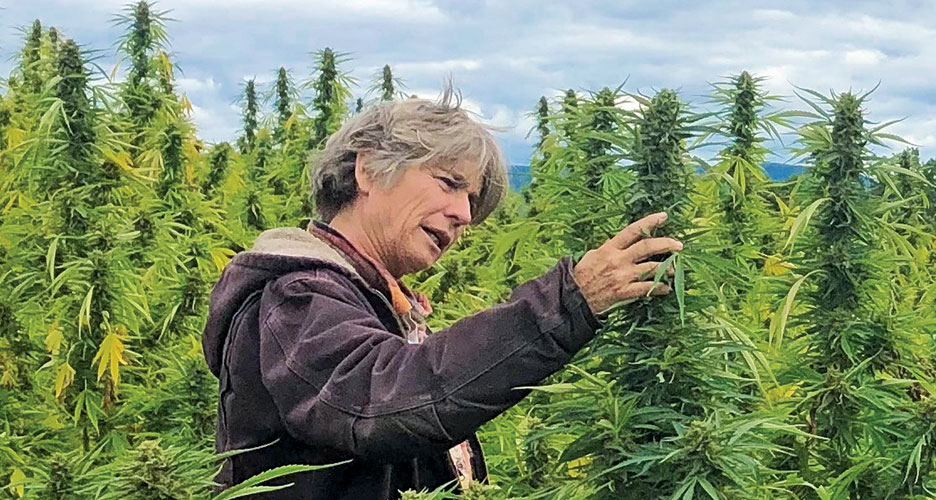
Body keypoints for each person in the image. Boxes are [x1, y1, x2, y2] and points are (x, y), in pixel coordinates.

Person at [201, 87, 683, 499]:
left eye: (472, 199)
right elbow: (385, 400)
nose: (464, 214)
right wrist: (569, 301)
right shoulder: (297, 297)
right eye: (449, 184)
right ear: (367, 171)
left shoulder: (372, 302)